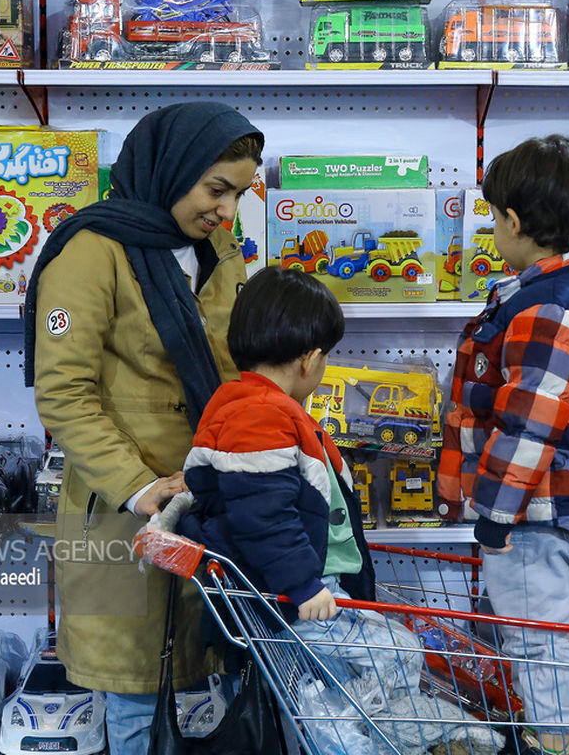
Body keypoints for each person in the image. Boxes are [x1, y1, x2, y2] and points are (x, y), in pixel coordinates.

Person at [25, 101, 264, 754]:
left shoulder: (217, 246)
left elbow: (229, 360)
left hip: (209, 498)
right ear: (172, 168)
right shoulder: (92, 250)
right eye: (217, 188)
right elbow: (65, 393)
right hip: (125, 509)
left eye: (239, 193)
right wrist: (138, 487)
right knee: (132, 694)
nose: (227, 209)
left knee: (214, 677)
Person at [436, 135, 569, 755]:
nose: (492, 227)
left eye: (494, 216)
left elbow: (530, 427)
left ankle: (554, 743)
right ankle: (548, 734)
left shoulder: (551, 310)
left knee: (538, 634)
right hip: (545, 505)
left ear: (516, 221)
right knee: (541, 629)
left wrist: (495, 517)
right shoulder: (558, 293)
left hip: (536, 511)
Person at [177, 267, 417, 754]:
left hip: (295, 594)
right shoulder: (257, 414)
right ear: (309, 360)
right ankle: (356, 724)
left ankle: (344, 719)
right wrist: (303, 584)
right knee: (397, 654)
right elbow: (262, 517)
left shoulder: (256, 405)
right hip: (291, 599)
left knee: (332, 695)